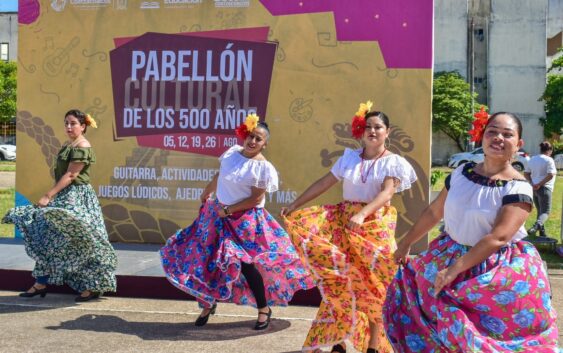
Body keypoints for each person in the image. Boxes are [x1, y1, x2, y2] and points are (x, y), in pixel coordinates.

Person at [384, 112, 559, 352]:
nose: (498, 138)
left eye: (507, 134)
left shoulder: (518, 187)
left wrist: (452, 271)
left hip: (492, 268)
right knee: (427, 320)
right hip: (449, 254)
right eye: (492, 132)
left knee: (475, 337)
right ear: (482, 136)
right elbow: (435, 212)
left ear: (518, 145)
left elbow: (499, 237)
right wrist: (405, 244)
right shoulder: (460, 173)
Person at [281, 101, 417, 353]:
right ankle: (339, 339)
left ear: (388, 132)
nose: (372, 131)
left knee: (377, 284)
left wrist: (364, 214)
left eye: (378, 127)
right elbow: (324, 182)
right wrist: (295, 204)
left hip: (375, 226)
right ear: (361, 131)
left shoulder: (394, 162)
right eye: (368, 127)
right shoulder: (350, 157)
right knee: (341, 281)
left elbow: (387, 193)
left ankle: (374, 346)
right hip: (345, 224)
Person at [160, 113, 314, 330]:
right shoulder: (232, 153)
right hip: (217, 215)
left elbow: (256, 198)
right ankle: (208, 303)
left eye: (258, 139)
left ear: (265, 143)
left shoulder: (262, 167)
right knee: (206, 259)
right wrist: (207, 193)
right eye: (250, 136)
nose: (253, 141)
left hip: (244, 221)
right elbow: (219, 175)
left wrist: (228, 210)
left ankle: (264, 309)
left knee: (245, 265)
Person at [3, 109, 117, 301]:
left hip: (78, 198)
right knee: (49, 236)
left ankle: (93, 285)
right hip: (65, 196)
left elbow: (72, 175)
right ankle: (40, 283)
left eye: (73, 123)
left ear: (83, 126)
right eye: (66, 123)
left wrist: (48, 195)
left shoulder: (83, 146)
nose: (69, 127)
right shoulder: (69, 145)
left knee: (86, 239)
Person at [525, 141, 557, 238]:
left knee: (540, 211)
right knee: (545, 212)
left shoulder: (532, 159)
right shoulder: (549, 160)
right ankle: (536, 226)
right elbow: (551, 174)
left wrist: (532, 183)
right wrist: (540, 184)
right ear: (550, 150)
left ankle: (542, 233)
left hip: (534, 188)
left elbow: (526, 173)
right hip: (545, 188)